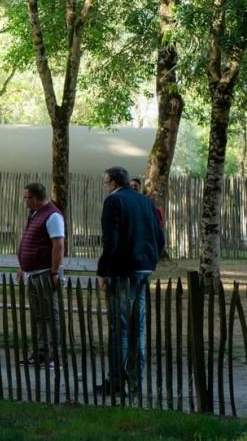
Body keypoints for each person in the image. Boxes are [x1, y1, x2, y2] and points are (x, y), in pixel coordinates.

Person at [97, 166, 166, 396]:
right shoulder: (145, 201)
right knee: (138, 328)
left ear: (114, 183)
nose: (106, 187)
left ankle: (116, 380)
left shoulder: (114, 202)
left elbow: (111, 240)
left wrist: (105, 270)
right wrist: (151, 259)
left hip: (122, 271)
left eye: (106, 183)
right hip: (143, 269)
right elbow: (160, 235)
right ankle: (136, 381)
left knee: (120, 327)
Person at [16, 183, 65, 367]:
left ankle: (54, 355)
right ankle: (40, 353)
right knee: (37, 315)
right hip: (32, 273)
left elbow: (58, 246)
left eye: (26, 197)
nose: (25, 201)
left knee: (50, 315)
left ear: (35, 198)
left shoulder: (52, 215)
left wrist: (54, 271)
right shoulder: (35, 214)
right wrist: (22, 265)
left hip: (45, 272)